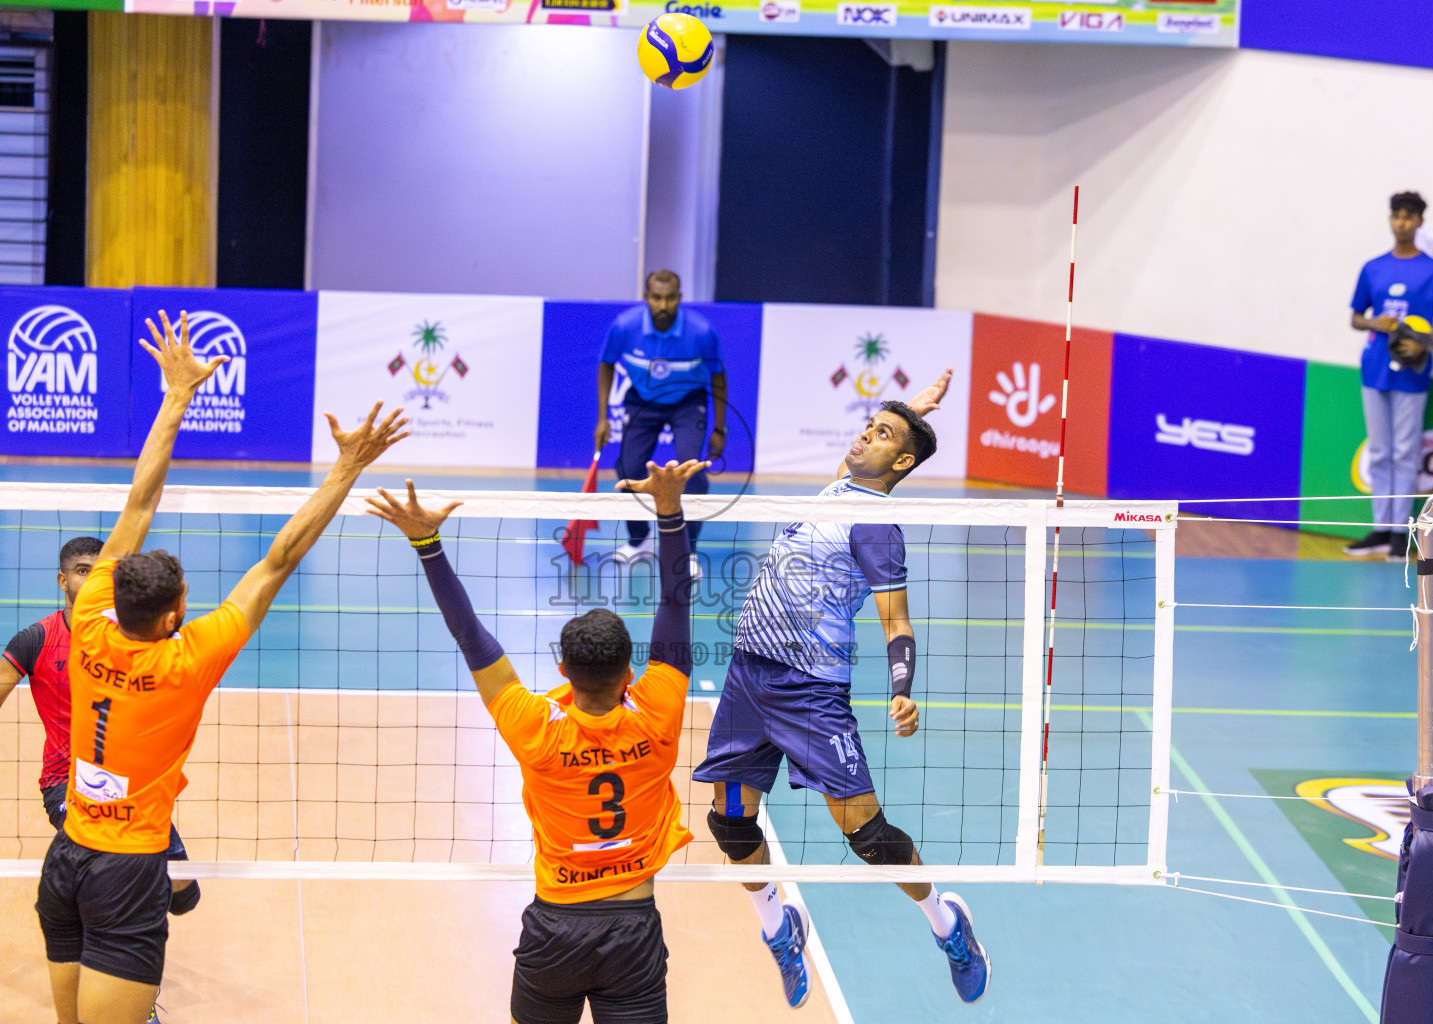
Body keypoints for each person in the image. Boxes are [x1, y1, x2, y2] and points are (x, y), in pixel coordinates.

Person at [35, 309, 408, 1024]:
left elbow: (139, 500)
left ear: (112, 595)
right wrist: (348, 467)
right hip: (126, 870)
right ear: (175, 614)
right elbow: (280, 558)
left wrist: (176, 396)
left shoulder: (84, 622)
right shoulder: (191, 659)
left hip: (68, 855)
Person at [692, 368, 992, 1008]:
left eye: (879, 435)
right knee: (731, 821)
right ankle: (779, 927)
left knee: (868, 836)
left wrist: (903, 687)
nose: (861, 438)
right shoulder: (839, 485)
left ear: (901, 460)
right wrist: (912, 409)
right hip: (749, 675)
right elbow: (876, 448)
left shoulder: (877, 526)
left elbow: (897, 620)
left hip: (810, 692)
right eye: (865, 427)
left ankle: (947, 923)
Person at [365, 458, 705, 1024]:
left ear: (563, 669)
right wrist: (668, 511)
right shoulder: (658, 712)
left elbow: (470, 635)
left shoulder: (534, 727)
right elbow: (675, 604)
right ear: (630, 673)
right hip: (634, 927)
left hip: (556, 930)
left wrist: (426, 541)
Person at [0, 537, 201, 921]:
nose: (93, 579)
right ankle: (124, 961)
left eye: (99, 572)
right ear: (63, 581)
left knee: (183, 896)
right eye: (82, 571)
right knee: (115, 868)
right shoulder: (36, 640)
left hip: (130, 780)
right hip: (67, 781)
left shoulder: (131, 636)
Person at [1346, 190, 1433, 559]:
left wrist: (1426, 343)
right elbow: (1356, 317)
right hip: (1375, 368)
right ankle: (1379, 529)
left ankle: (1399, 534)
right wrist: (1373, 321)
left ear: (1420, 222)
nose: (1402, 223)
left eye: (1410, 217)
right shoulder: (1373, 267)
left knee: (1406, 451)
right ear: (1390, 219)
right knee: (1380, 451)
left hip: (1413, 371)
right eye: (1397, 216)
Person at [594, 269, 726, 570]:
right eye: (656, 298)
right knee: (628, 469)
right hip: (642, 400)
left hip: (688, 401)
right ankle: (639, 540)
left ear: (679, 298)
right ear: (646, 298)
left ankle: (687, 551)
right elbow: (606, 366)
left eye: (669, 298)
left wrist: (720, 428)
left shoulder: (702, 332)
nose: (663, 305)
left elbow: (718, 377)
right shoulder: (624, 327)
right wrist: (602, 418)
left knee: (691, 473)